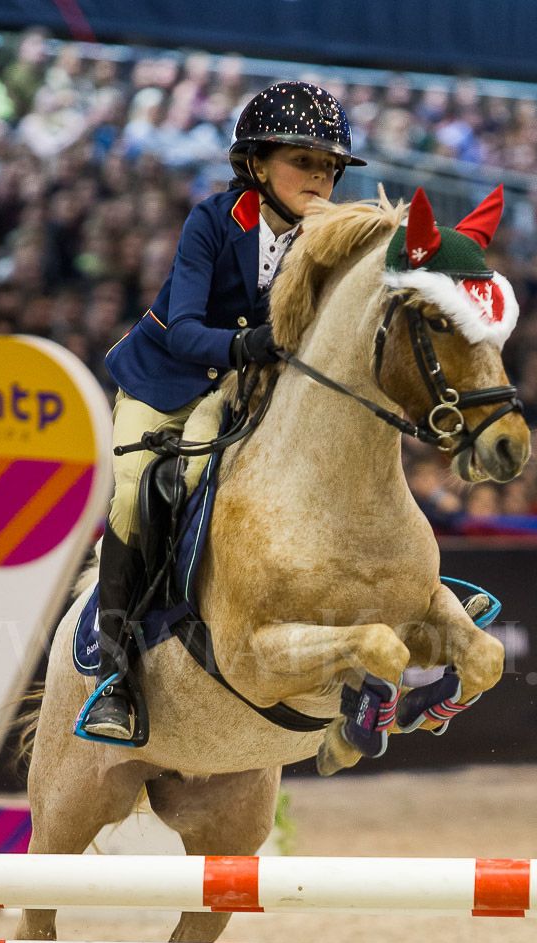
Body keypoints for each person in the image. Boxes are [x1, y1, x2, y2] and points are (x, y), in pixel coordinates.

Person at [79, 81, 366, 740]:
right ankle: (115, 676)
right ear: (257, 165)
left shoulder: (327, 241)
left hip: (235, 394)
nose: (319, 178)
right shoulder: (211, 221)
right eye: (302, 162)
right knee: (136, 493)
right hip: (161, 384)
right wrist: (247, 345)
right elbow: (183, 330)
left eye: (328, 168)